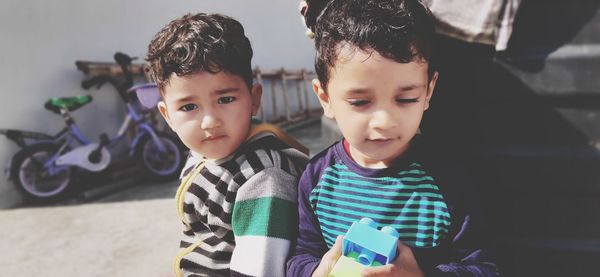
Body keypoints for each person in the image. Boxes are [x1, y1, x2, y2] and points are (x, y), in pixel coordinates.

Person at [288, 0, 499, 276]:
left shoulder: (449, 180)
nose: (384, 122)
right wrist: (316, 271)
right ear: (325, 98)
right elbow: (301, 256)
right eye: (361, 102)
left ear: (428, 92)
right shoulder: (317, 179)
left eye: (405, 99)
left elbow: (482, 267)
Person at [146, 13, 309, 277]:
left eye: (225, 100)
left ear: (253, 99)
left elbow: (260, 269)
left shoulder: (263, 178)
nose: (209, 122)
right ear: (168, 116)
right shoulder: (204, 151)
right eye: (189, 107)